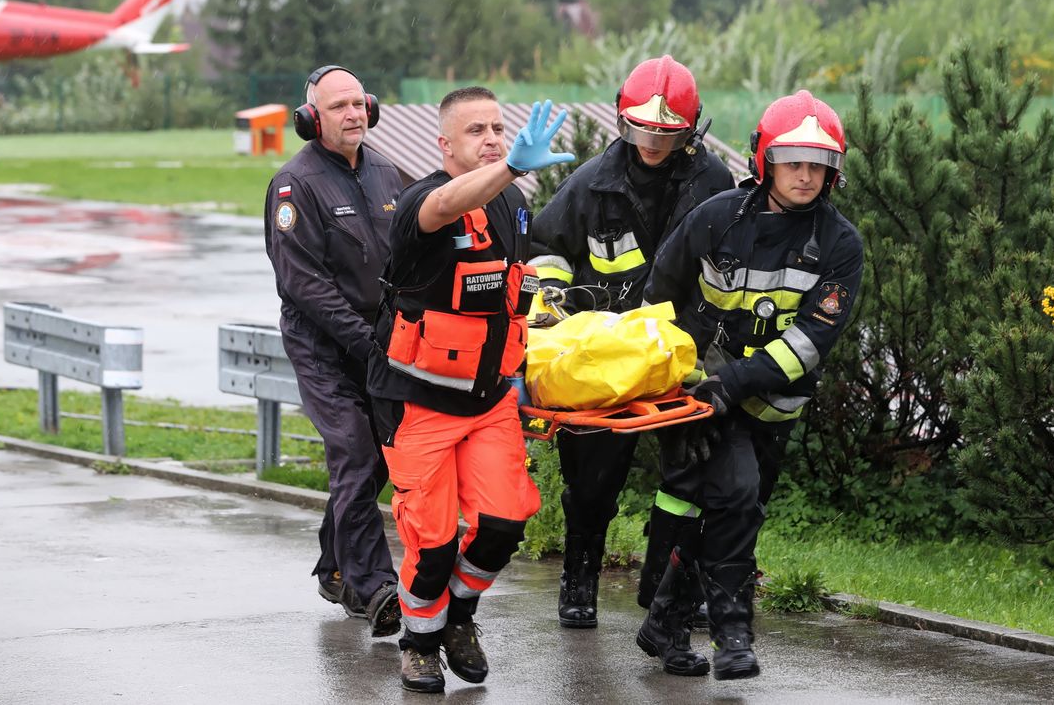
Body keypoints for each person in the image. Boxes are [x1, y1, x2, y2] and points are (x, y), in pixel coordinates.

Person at [636, 90, 863, 681]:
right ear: (765, 160)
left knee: (739, 511)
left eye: (818, 165)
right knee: (734, 498)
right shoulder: (716, 217)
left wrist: (731, 383)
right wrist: (680, 379)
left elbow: (813, 341)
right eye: (794, 162)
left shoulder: (840, 245)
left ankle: (666, 619)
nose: (806, 176)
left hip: (767, 404)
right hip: (697, 394)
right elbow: (662, 295)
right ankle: (733, 634)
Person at [367, 87, 575, 693]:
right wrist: (508, 166)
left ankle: (459, 618)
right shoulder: (419, 203)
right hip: (417, 404)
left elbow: (515, 290)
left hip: (488, 403)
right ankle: (419, 643)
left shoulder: (511, 204)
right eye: (475, 131)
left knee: (505, 523)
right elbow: (446, 204)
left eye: (498, 129)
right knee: (431, 544)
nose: (490, 139)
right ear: (445, 145)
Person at [528, 55, 733, 629]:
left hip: (681, 356)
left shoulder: (713, 185)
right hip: (608, 362)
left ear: (689, 132)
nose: (649, 142)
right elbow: (545, 248)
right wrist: (555, 314)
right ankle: (578, 582)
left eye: (664, 133)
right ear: (623, 120)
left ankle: (663, 599)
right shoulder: (593, 182)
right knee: (590, 480)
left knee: (690, 477)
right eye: (639, 129)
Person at [264, 65, 401, 636]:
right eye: (339, 106)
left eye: (358, 104)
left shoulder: (390, 175)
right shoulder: (293, 186)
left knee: (383, 461)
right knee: (356, 454)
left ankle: (335, 566)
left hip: (379, 344)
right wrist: (366, 341)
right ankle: (375, 588)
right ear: (311, 119)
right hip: (323, 346)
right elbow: (305, 283)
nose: (353, 114)